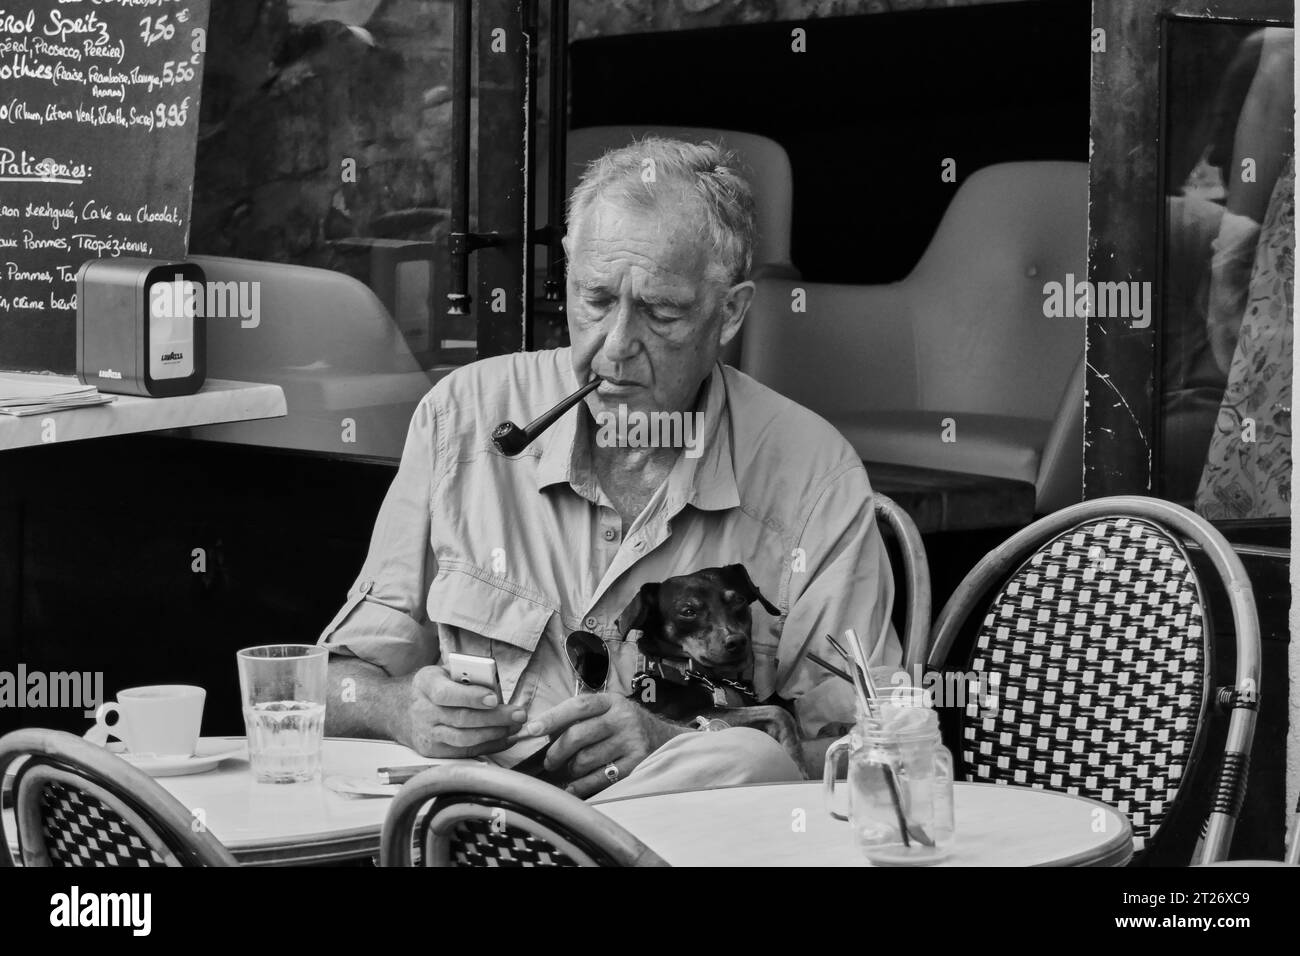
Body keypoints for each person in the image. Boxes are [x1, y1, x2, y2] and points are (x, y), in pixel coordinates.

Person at [318, 136, 897, 799]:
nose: (616, 347)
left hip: (687, 848)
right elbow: (332, 687)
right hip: (484, 839)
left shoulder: (813, 476)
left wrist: (669, 742)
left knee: (746, 762)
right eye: (595, 300)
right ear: (566, 274)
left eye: (661, 312)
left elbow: (868, 752)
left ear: (730, 312)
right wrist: (403, 710)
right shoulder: (465, 418)